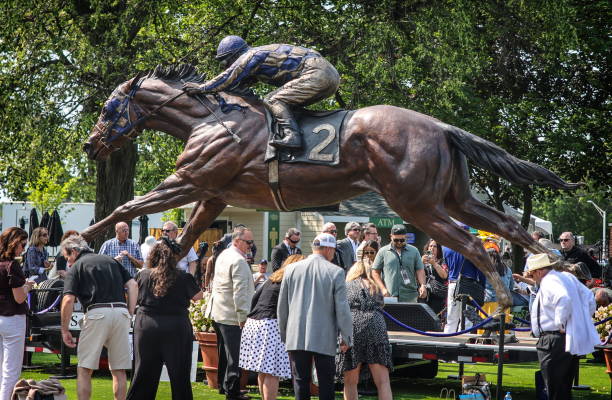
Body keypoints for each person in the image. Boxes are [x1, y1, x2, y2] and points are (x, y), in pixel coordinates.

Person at [183, 36, 340, 150]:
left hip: (316, 73)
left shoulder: (250, 56)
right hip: (329, 75)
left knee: (272, 100)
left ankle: (293, 136)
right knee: (288, 105)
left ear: (234, 55)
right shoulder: (263, 59)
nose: (226, 66)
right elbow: (238, 84)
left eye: (225, 62)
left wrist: (202, 88)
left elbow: (229, 77)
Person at [60, 234, 137, 400]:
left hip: (96, 313)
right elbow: (133, 284)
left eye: (67, 257)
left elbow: (68, 300)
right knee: (119, 369)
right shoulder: (111, 260)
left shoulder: (77, 267)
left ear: (74, 251)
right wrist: (129, 312)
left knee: (84, 368)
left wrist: (65, 329)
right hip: (121, 313)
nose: (68, 262)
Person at [278, 233, 353, 400]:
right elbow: (342, 309)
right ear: (327, 249)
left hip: (296, 335)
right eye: (333, 250)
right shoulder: (336, 272)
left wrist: (284, 333)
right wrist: (347, 337)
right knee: (326, 382)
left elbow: (282, 306)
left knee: (300, 381)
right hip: (324, 336)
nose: (334, 254)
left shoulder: (291, 269)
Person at [127, 237, 203, 400]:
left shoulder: (143, 276)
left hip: (147, 325)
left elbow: (132, 297)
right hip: (176, 326)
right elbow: (198, 296)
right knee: (179, 375)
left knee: (143, 373)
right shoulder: (183, 277)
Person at [527, 253, 600, 400]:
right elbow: (589, 297)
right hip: (566, 338)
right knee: (563, 388)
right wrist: (579, 320)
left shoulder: (549, 281)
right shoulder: (567, 277)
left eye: (531, 274)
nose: (532, 278)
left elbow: (563, 298)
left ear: (539, 271)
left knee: (555, 388)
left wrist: (561, 322)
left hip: (553, 339)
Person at [239, 255, 304, 400]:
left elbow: (254, 299)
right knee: (273, 372)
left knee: (263, 371)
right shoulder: (290, 282)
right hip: (270, 326)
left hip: (253, 323)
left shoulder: (272, 278)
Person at [209, 226, 255, 400]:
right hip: (231, 315)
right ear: (237, 241)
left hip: (219, 311)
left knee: (224, 353)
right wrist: (243, 316)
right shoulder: (238, 260)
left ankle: (224, 385)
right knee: (233, 355)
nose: (251, 245)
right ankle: (232, 391)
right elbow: (240, 292)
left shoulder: (224, 254)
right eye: (248, 242)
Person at [336, 259, 393, 400]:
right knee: (383, 382)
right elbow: (381, 305)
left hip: (353, 325)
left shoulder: (346, 285)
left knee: (350, 381)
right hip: (376, 325)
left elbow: (341, 310)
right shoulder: (376, 286)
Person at [0, 227, 34, 400]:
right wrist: (28, 286)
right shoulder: (12, 265)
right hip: (12, 318)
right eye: (22, 244)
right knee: (11, 370)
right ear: (13, 243)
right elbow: (19, 298)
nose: (24, 248)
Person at [443, 224, 487, 333]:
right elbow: (480, 269)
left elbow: (447, 265)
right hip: (469, 285)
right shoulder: (472, 249)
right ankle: (464, 344)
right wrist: (482, 285)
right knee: (466, 319)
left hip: (453, 283)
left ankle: (447, 342)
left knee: (451, 317)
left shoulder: (446, 247)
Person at [371, 224, 426, 302]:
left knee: (409, 314)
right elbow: (375, 272)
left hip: (410, 296)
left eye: (402, 240)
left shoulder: (414, 251)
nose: (399, 242)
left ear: (406, 237)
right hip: (390, 295)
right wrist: (382, 289)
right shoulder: (383, 251)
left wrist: (423, 285)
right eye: (396, 240)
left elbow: (420, 270)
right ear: (391, 236)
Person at [420, 239, 448, 315]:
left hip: (438, 295)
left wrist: (434, 264)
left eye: (435, 246)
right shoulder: (422, 260)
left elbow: (444, 276)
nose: (432, 248)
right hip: (425, 294)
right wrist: (420, 263)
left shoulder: (442, 261)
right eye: (430, 246)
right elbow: (416, 274)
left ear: (439, 249)